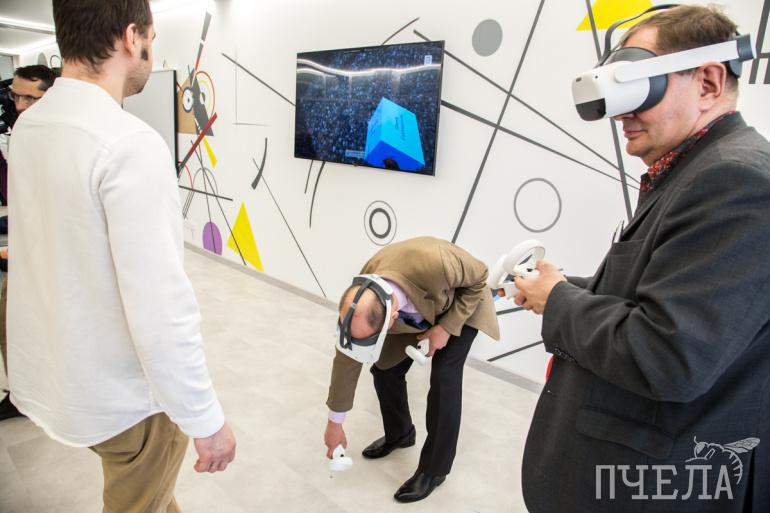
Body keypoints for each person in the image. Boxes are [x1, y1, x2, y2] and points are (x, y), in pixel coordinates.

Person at [516, 5, 770, 513]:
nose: (620, 114)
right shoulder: (696, 171)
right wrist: (563, 286)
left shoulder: (736, 181)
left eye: (637, 87)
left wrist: (558, 300)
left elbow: (669, 356)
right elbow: (660, 296)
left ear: (708, 83)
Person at [6, 1, 236, 511]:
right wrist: (205, 419)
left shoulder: (29, 127)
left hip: (56, 378)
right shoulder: (129, 144)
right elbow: (161, 307)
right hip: (127, 404)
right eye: (152, 38)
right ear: (132, 38)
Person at [324, 236, 499, 503]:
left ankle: (434, 471)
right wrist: (334, 423)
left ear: (392, 318)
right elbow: (348, 358)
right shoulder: (364, 293)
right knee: (385, 370)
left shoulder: (438, 263)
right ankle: (401, 434)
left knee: (444, 378)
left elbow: (480, 277)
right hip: (419, 311)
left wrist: (445, 328)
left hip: (462, 306)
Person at [0, 64, 56, 421]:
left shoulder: (59, 141)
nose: (20, 105)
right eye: (16, 96)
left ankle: (31, 395)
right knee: (13, 329)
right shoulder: (21, 133)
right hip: (23, 249)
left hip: (45, 257)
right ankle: (22, 393)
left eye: (30, 98)